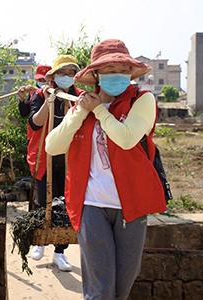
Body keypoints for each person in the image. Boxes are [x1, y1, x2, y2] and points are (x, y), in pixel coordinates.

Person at [45, 40, 166, 299]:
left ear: (130, 72)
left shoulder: (142, 101)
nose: (116, 74)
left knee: (122, 287)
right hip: (91, 203)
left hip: (130, 205)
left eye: (121, 68)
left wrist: (98, 109)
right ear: (97, 74)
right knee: (100, 290)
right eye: (108, 68)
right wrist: (80, 112)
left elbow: (125, 138)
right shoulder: (82, 104)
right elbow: (52, 146)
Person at [27, 55, 84, 272]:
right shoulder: (41, 95)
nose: (67, 77)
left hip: (70, 160)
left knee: (65, 205)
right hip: (46, 158)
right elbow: (34, 123)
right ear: (53, 76)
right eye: (63, 73)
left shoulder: (78, 97)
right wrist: (49, 103)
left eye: (71, 73)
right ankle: (40, 243)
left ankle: (60, 252)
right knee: (43, 201)